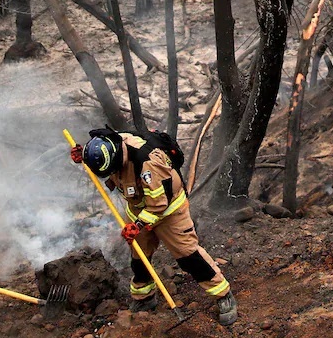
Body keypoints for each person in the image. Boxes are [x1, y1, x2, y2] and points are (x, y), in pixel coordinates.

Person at [70, 129, 238, 325]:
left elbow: (159, 204)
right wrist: (84, 158)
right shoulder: (108, 146)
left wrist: (138, 225)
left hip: (169, 213)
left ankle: (222, 295)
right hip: (138, 209)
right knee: (139, 257)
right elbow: (103, 162)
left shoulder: (147, 161)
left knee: (188, 256)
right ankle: (145, 297)